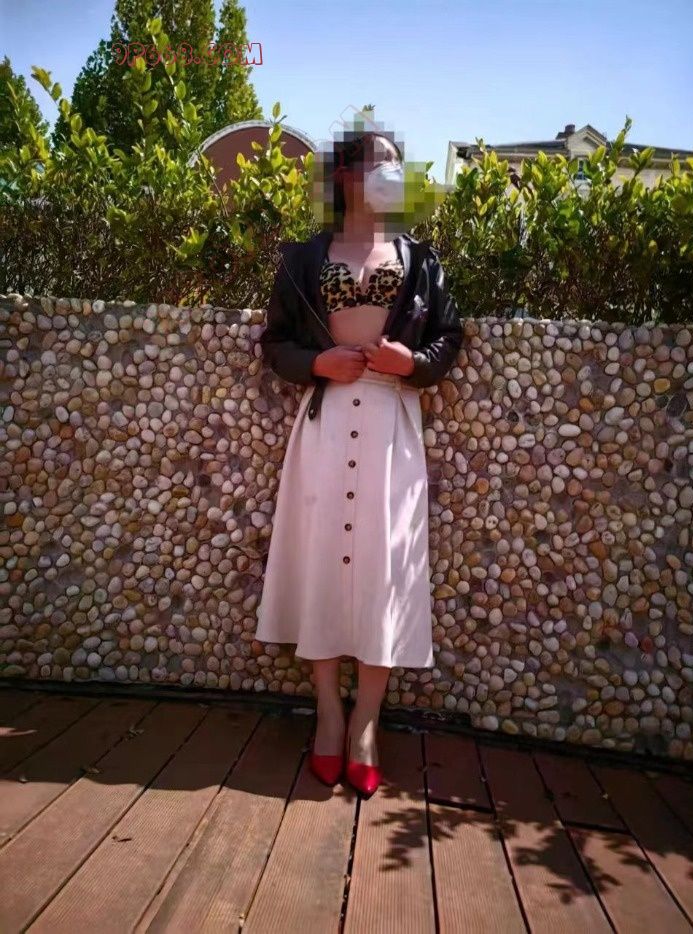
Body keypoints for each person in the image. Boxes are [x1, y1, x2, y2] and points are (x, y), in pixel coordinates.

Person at [255, 128, 463, 797]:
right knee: (319, 560)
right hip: (324, 423)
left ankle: (367, 722)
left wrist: (413, 364)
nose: (392, 172)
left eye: (398, 163)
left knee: (385, 569)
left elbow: (448, 338)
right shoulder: (302, 258)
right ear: (345, 174)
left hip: (390, 428)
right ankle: (327, 714)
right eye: (380, 162)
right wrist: (318, 362)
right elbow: (275, 342)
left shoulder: (420, 259)